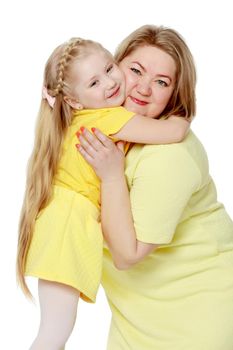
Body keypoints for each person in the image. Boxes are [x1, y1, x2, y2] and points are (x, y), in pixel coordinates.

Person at [16, 37, 189, 349]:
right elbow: (174, 132)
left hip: (60, 222)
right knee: (53, 334)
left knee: (54, 331)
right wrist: (182, 112)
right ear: (75, 101)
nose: (110, 83)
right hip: (68, 226)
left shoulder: (81, 118)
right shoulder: (109, 117)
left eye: (110, 68)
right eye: (95, 82)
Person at [77, 25, 233, 349]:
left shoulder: (168, 156)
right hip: (135, 319)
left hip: (196, 319)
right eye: (135, 70)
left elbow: (126, 255)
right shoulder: (109, 130)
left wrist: (110, 176)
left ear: (174, 95)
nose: (143, 89)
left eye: (161, 82)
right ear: (112, 66)